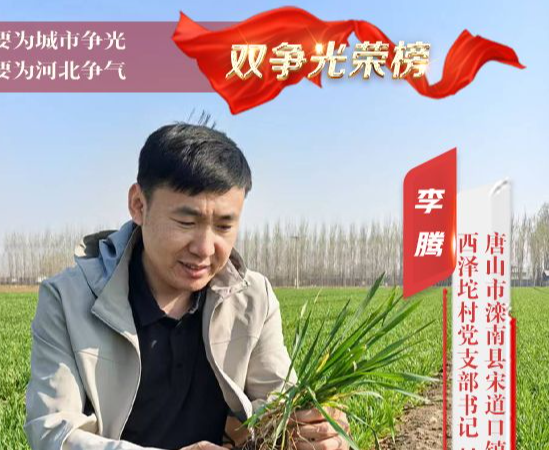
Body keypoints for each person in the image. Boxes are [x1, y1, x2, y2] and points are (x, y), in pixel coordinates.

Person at [24, 123, 349, 450]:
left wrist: (306, 430)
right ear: (138, 205)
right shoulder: (68, 300)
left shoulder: (252, 298)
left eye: (224, 226)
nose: (205, 248)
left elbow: (275, 398)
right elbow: (53, 433)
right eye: (186, 222)